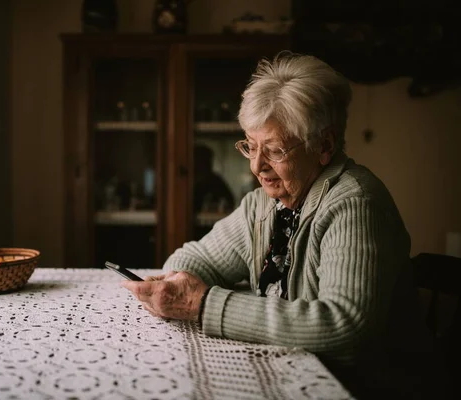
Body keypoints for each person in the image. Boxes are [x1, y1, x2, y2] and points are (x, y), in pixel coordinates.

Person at [121, 52, 450, 398]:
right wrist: (180, 287)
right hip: (288, 375)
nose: (257, 167)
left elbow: (345, 327)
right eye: (250, 147)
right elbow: (193, 259)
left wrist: (203, 305)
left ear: (324, 145)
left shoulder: (355, 204)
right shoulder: (265, 203)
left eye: (275, 150)